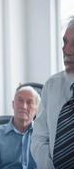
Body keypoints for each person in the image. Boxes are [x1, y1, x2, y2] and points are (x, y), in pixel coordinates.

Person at [31, 16, 74, 168]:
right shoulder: (51, 86)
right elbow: (39, 139)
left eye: (73, 44)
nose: (65, 50)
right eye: (65, 42)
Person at [0, 85, 40, 169]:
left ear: (37, 109)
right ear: (13, 104)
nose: (24, 106)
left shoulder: (45, 136)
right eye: (20, 100)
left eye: (29, 102)